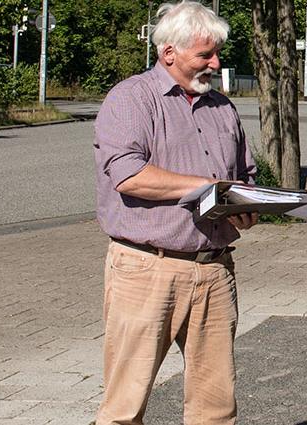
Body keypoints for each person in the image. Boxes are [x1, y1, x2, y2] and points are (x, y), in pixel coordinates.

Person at [92, 2, 257, 423]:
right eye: (205, 54)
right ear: (169, 53)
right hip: (147, 269)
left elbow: (246, 177)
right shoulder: (131, 98)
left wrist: (248, 206)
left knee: (216, 408)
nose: (216, 63)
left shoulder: (223, 107)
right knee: (124, 408)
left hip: (215, 270)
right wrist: (206, 187)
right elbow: (129, 176)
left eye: (217, 52)